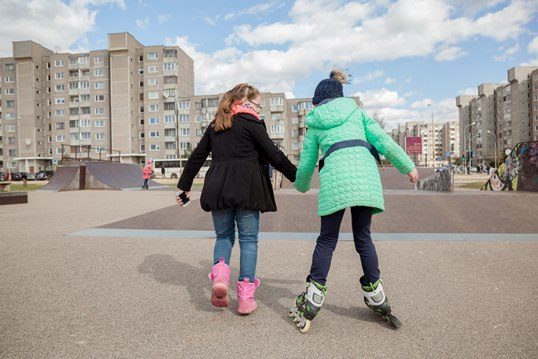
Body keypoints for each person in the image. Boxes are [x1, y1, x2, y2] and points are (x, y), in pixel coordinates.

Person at [288, 69, 419, 333]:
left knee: (327, 240)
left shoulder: (314, 124)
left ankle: (314, 296)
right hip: (365, 179)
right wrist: (408, 167)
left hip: (335, 180)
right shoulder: (357, 113)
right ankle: (376, 293)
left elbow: (306, 164)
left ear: (317, 102)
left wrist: (301, 186)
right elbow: (384, 142)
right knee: (363, 238)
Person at [176, 83, 297, 315]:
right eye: (258, 105)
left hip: (218, 188)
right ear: (243, 102)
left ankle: (220, 276)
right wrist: (296, 176)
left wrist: (184, 187)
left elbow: (197, 157)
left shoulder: (216, 125)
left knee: (223, 236)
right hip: (247, 189)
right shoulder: (252, 123)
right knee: (249, 240)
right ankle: (245, 298)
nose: (259, 110)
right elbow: (274, 154)